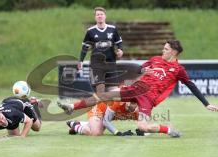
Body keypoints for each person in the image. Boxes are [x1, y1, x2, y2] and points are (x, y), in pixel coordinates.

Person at [58, 40, 218, 138]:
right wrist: (138, 74)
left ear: (174, 52)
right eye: (164, 48)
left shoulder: (178, 70)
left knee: (142, 126)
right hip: (136, 88)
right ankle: (72, 107)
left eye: (166, 49)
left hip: (148, 98)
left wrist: (205, 103)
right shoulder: (155, 60)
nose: (163, 50)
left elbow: (191, 85)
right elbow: (139, 70)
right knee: (103, 95)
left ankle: (168, 129)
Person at [78, 7, 123, 94]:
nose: (99, 16)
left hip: (111, 63)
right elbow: (85, 47)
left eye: (101, 14)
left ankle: (110, 107)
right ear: (95, 17)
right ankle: (99, 107)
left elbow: (119, 42)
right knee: (100, 90)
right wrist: (80, 61)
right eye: (97, 15)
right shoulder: (90, 31)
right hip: (97, 64)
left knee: (114, 91)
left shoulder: (112, 29)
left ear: (105, 16)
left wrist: (120, 50)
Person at [66, 101, 139, 136]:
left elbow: (144, 125)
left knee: (97, 130)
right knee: (96, 133)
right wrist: (118, 133)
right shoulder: (117, 102)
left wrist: (142, 132)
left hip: (105, 116)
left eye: (133, 103)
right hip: (98, 109)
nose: (129, 105)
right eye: (129, 103)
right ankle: (76, 126)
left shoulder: (138, 111)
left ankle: (78, 123)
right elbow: (106, 121)